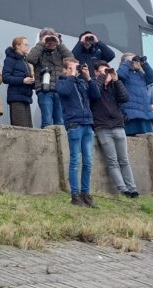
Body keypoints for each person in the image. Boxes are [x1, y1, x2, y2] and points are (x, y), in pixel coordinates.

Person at [90, 61, 138, 198]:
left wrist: (116, 81)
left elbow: (125, 98)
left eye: (108, 71)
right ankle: (123, 189)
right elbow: (93, 95)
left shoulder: (113, 86)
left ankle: (132, 188)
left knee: (124, 159)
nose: (107, 74)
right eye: (103, 71)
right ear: (96, 73)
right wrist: (101, 78)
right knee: (112, 161)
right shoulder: (93, 85)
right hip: (102, 127)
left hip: (118, 125)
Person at [58, 57, 101, 208]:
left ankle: (86, 194)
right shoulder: (62, 81)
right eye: (71, 67)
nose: (75, 70)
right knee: (75, 160)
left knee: (88, 161)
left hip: (87, 124)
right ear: (65, 69)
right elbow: (64, 91)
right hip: (74, 124)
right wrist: (70, 75)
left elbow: (96, 95)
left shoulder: (82, 82)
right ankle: (75, 195)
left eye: (76, 68)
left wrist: (88, 77)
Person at [27, 28, 74, 128]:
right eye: (48, 40)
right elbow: (30, 58)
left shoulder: (59, 51)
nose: (51, 42)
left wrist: (59, 43)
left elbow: (71, 58)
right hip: (44, 91)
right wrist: (41, 43)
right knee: (47, 121)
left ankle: (60, 143)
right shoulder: (39, 51)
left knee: (60, 121)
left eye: (53, 40)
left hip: (59, 90)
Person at [117, 53, 153, 136]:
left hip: (144, 114)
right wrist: (128, 62)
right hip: (131, 114)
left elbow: (152, 77)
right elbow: (120, 75)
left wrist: (144, 63)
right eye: (133, 60)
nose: (135, 62)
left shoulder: (140, 75)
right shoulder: (124, 74)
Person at [2, 36, 35, 127]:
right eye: (25, 44)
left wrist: (33, 82)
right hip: (16, 99)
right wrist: (23, 80)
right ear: (17, 46)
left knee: (29, 129)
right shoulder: (10, 59)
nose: (28, 47)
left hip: (26, 99)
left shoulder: (24, 61)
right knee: (21, 129)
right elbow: (5, 78)